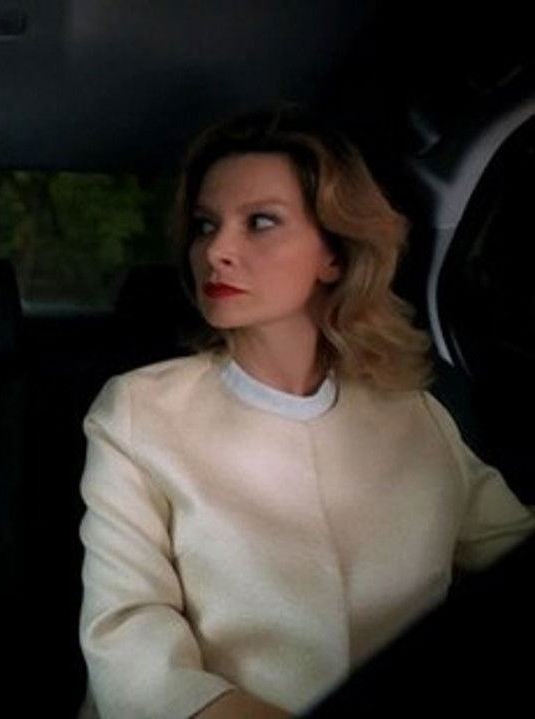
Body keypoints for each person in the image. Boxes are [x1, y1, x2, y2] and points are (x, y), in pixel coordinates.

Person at [77, 107, 533, 718]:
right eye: (206, 225)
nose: (217, 251)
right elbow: (129, 638)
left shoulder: (415, 412)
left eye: (260, 222)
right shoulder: (138, 411)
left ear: (334, 254)